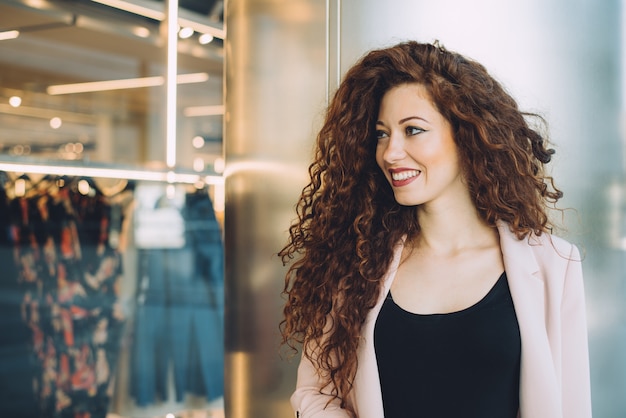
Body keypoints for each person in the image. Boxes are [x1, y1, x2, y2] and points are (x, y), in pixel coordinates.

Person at [279, 40, 591, 418]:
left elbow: (571, 403)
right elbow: (314, 393)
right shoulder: (356, 261)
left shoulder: (553, 264)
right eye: (381, 134)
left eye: (412, 130)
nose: (390, 152)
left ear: (467, 135)